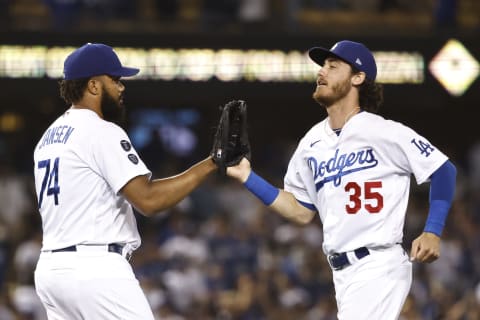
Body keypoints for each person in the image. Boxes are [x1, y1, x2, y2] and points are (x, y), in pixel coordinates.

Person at [226, 40, 457, 319]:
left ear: (358, 78)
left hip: (378, 263)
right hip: (343, 274)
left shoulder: (384, 131)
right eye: (322, 66)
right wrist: (248, 177)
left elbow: (444, 170)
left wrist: (433, 230)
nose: (322, 72)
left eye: (333, 66)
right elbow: (300, 211)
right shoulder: (311, 142)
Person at [33, 43, 218, 319]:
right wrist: (213, 162)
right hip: (95, 269)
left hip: (52, 271)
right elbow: (149, 200)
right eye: (115, 79)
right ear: (93, 85)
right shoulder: (100, 130)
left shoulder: (46, 139)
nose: (121, 87)